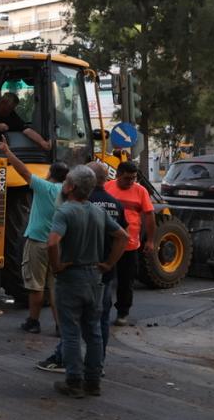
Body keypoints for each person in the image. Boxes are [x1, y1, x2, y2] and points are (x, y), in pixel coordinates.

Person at [37, 162, 127, 373]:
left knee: (70, 332)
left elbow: (52, 243)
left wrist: (57, 266)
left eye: (66, 181)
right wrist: (109, 264)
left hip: (71, 277)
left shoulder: (65, 211)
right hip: (95, 277)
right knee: (94, 331)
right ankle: (94, 377)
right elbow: (123, 236)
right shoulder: (100, 211)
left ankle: (74, 377)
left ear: (71, 187)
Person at [0, 139, 68, 334]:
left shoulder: (44, 188)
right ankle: (60, 326)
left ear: (49, 174)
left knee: (35, 286)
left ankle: (33, 322)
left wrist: (7, 151)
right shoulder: (67, 193)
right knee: (56, 287)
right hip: (59, 245)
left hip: (38, 243)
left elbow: (23, 171)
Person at [104, 160, 155, 325]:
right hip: (108, 244)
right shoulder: (107, 187)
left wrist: (150, 241)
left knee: (126, 281)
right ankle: (103, 311)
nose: (131, 182)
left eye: (134, 178)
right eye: (127, 178)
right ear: (118, 175)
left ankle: (122, 312)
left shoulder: (140, 191)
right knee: (104, 279)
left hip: (130, 245)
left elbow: (149, 215)